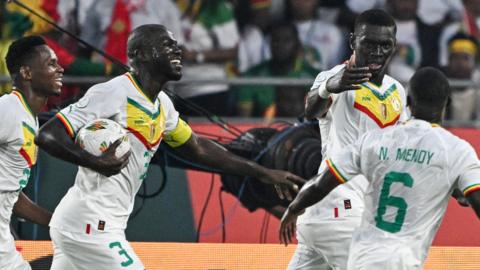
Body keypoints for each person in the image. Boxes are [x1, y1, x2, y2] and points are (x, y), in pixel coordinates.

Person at [35, 24, 304, 270]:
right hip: (90, 225)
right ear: (139, 53)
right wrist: (95, 161)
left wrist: (262, 172)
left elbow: (198, 148)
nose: (177, 50)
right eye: (166, 44)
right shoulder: (112, 93)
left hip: (97, 224)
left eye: (176, 45)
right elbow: (48, 134)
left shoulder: (163, 105)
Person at [280, 67, 480, 269]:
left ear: (408, 102)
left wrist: (294, 208)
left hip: (321, 214)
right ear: (448, 102)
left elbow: (322, 183)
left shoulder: (373, 142)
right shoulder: (457, 151)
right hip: (378, 244)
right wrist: (460, 191)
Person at [295, 9, 408, 270]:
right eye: (369, 43)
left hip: (351, 210)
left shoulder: (397, 91)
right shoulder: (335, 77)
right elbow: (311, 110)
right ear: (352, 41)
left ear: (394, 46)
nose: (377, 52)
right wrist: (328, 87)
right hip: (337, 204)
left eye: (385, 45)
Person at [1, 35, 63, 270]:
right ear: (26, 73)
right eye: (51, 64)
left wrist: (56, 222)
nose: (60, 68)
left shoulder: (28, 117)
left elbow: (11, 194)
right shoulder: (8, 109)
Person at [236, 22, 318, 119]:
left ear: (297, 45)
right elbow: (243, 122)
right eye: (276, 40)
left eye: (287, 40)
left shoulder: (314, 77)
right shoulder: (251, 77)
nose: (280, 45)